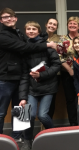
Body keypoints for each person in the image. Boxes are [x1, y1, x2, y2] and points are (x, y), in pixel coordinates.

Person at [0, 8, 55, 143]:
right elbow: (25, 48)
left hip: (20, 79)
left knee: (21, 110)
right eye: (4, 17)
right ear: (1, 20)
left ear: (15, 18)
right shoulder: (2, 37)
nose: (8, 19)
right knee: (1, 112)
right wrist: (47, 44)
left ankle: (17, 137)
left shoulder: (19, 34)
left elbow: (31, 44)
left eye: (10, 16)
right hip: (4, 79)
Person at [19, 21, 61, 150]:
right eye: (28, 29)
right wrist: (22, 97)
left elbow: (57, 65)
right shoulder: (24, 48)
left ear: (38, 31)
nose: (31, 31)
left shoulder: (48, 45)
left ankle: (53, 135)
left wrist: (41, 75)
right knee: (26, 113)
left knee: (42, 115)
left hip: (48, 86)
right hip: (32, 88)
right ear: (26, 31)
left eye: (34, 29)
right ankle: (27, 140)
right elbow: (24, 75)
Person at [57, 16, 79, 126]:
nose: (72, 25)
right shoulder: (63, 39)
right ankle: (73, 123)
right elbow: (59, 56)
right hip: (67, 73)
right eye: (70, 24)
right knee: (70, 99)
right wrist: (69, 70)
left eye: (75, 24)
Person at [45, 18, 61, 121]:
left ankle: (46, 128)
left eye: (54, 24)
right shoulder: (38, 37)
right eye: (50, 23)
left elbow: (61, 56)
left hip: (54, 74)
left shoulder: (60, 39)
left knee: (50, 102)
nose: (52, 26)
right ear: (46, 24)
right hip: (36, 74)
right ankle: (25, 134)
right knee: (29, 103)